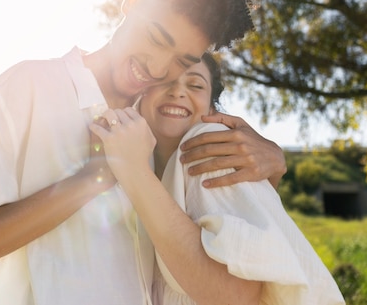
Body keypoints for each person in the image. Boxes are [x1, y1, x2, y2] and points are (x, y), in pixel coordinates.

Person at [0, 0, 286, 304]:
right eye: (155, 37)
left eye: (183, 62)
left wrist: (274, 164)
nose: (157, 67)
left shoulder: (160, 124)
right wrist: (90, 181)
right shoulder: (28, 89)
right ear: (133, 1)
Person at [91, 53, 346, 304]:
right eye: (166, 81)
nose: (178, 92)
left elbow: (235, 295)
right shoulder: (140, 165)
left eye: (195, 85)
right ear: (142, 94)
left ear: (212, 109)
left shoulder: (209, 144)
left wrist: (135, 171)